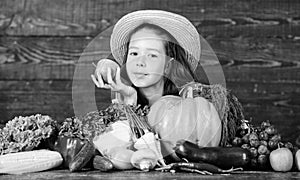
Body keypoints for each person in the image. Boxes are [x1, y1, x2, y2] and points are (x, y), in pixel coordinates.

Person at [91, 10, 222, 160]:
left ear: (168, 65)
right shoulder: (123, 94)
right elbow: (121, 143)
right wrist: (129, 96)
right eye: (134, 54)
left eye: (152, 55)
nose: (140, 62)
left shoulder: (188, 96)